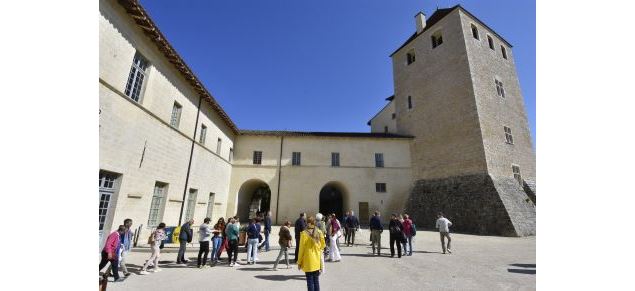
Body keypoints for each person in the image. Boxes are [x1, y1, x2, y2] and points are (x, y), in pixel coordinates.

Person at [297, 216, 326, 291]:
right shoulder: (319, 232)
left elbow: (301, 249)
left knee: (310, 281)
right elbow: (323, 245)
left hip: (308, 261)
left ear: (308, 223)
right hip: (316, 260)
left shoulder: (304, 233)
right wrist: (318, 247)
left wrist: (299, 262)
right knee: (316, 281)